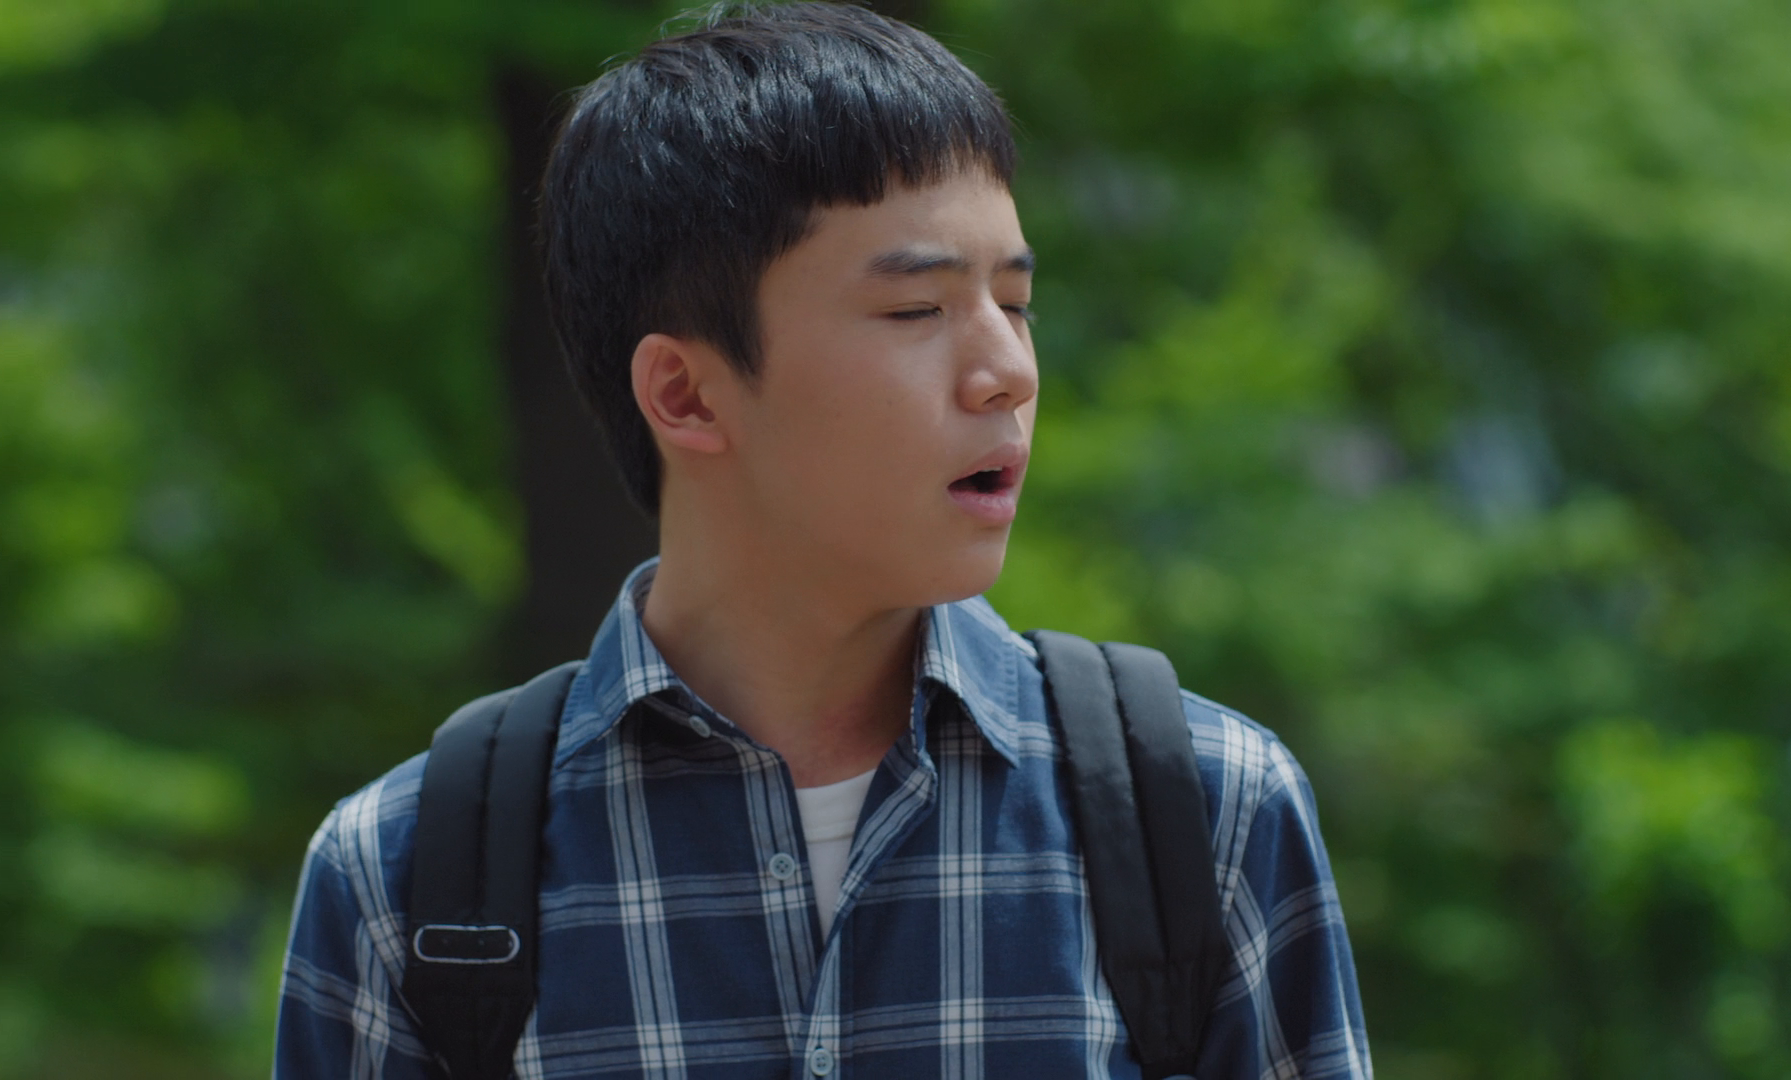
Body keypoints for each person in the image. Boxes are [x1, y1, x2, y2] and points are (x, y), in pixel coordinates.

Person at [273, 3, 1369, 1077]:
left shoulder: (1204, 812)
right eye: (917, 310)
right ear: (685, 394)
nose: (1008, 370)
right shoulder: (404, 884)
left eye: (1015, 302)